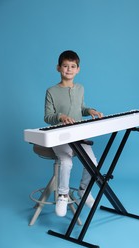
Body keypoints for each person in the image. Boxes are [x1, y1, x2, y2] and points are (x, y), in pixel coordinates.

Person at [44, 50, 103, 217]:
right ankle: (62, 195)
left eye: (72, 66)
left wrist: (89, 110)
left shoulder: (80, 88)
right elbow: (48, 116)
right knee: (67, 162)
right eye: (65, 66)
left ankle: (83, 190)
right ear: (58, 68)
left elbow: (81, 108)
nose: (68, 69)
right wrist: (60, 116)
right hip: (60, 136)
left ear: (78, 69)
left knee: (93, 163)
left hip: (79, 135)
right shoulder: (51, 91)